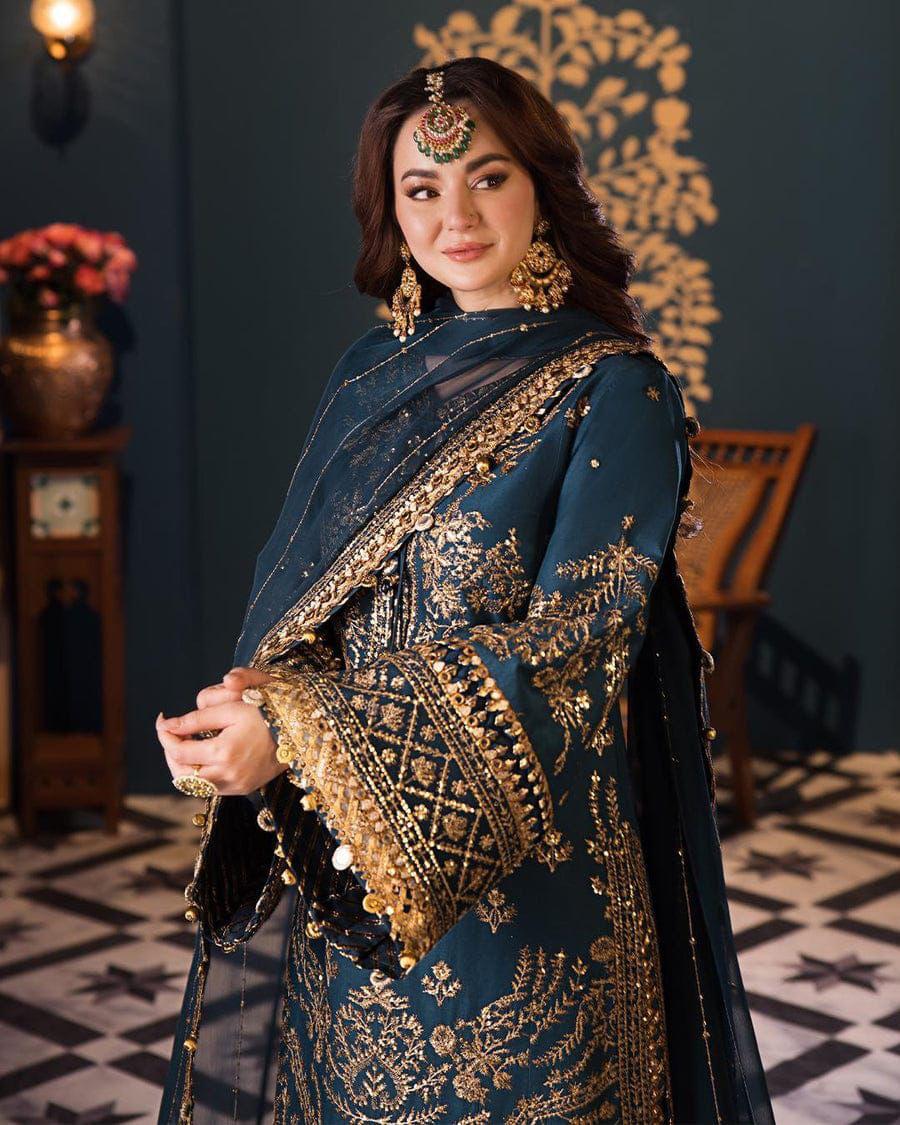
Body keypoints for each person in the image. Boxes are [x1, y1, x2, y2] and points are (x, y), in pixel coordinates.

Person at [158, 57, 774, 1124]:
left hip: (534, 907)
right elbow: (320, 610)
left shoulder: (614, 389)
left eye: (487, 177)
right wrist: (251, 711)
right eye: (421, 188)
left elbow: (572, 657)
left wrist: (299, 741)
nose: (457, 216)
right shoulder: (371, 374)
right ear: (389, 214)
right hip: (352, 885)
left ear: (540, 185)